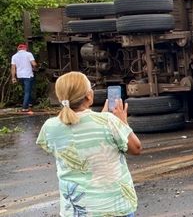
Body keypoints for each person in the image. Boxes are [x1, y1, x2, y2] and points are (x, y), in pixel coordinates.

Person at [36, 72, 142, 217]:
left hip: (76, 211)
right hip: (115, 206)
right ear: (89, 95)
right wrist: (121, 123)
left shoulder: (50, 127)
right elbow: (136, 148)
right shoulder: (109, 121)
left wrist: (102, 118)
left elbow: (53, 147)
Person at [11, 42, 37, 113]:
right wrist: (34, 67)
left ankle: (30, 103)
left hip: (20, 76)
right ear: (25, 48)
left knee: (27, 90)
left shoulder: (14, 56)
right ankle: (24, 107)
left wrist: (13, 78)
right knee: (27, 91)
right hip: (28, 75)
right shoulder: (29, 54)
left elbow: (13, 68)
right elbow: (34, 64)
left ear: (18, 49)